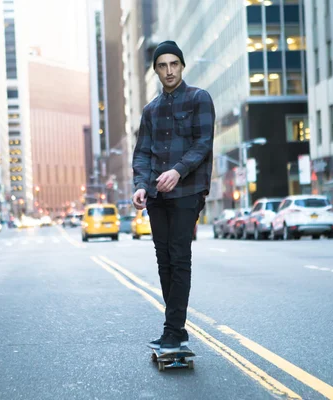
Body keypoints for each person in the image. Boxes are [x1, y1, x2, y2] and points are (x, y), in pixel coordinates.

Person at [132, 40, 215, 354]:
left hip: (187, 191)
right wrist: (141, 185)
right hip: (156, 196)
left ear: (182, 66)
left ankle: (173, 330)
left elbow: (203, 143)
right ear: (156, 70)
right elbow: (141, 154)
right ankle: (175, 330)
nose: (168, 70)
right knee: (164, 261)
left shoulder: (198, 99)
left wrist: (178, 170)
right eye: (162, 65)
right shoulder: (151, 110)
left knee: (179, 258)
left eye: (173, 64)